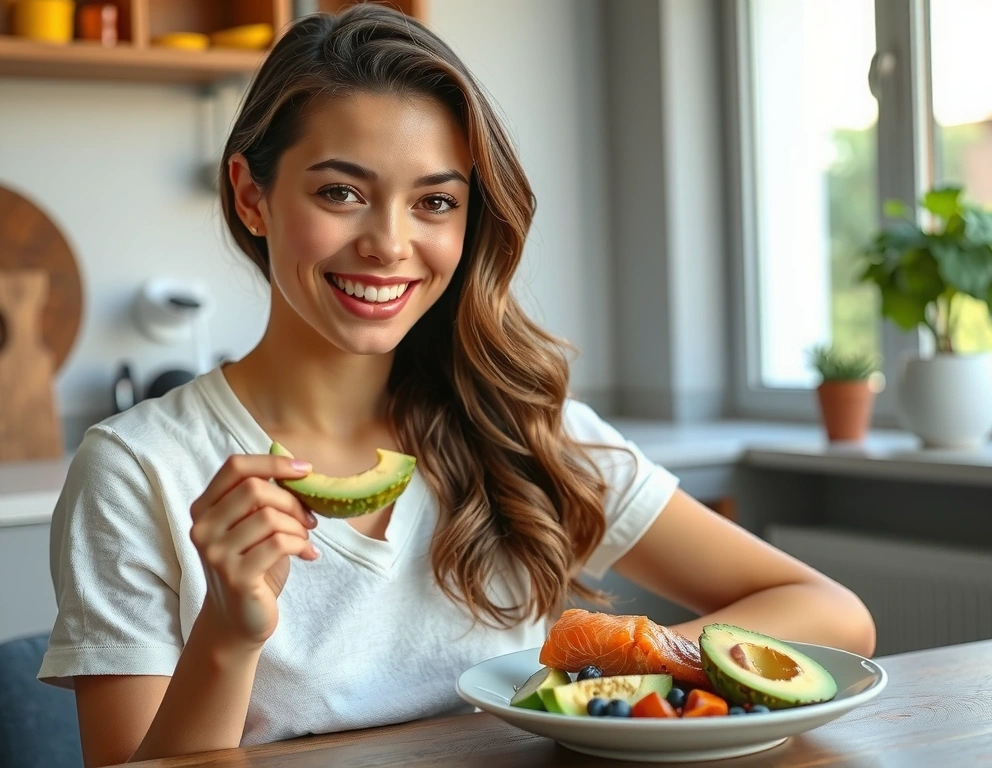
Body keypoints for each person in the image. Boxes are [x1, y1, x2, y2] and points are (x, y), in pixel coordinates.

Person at [38, 5, 875, 766]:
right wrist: (227, 633)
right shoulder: (137, 468)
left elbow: (830, 613)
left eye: (434, 202)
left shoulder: (518, 425)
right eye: (340, 192)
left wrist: (621, 667)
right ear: (252, 196)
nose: (389, 243)